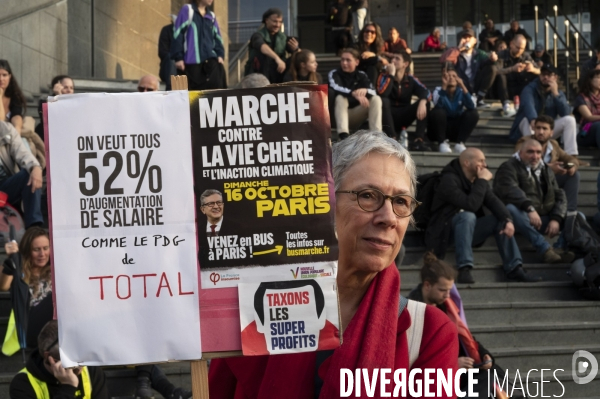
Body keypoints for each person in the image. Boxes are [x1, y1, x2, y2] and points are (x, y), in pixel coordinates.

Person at [209, 130, 458, 398]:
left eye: (400, 201)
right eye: (368, 195)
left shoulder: (430, 332)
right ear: (325, 203)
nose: (389, 218)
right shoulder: (250, 315)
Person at [424, 147, 539, 283]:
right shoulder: (448, 180)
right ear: (466, 163)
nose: (485, 165)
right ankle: (464, 268)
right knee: (467, 216)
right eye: (481, 161)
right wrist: (482, 181)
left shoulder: (476, 180)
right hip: (444, 233)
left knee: (500, 220)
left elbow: (494, 202)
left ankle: (514, 268)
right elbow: (470, 205)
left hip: (468, 232)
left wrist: (507, 220)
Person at [408, 253, 505, 398]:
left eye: (449, 290)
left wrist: (486, 356)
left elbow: (466, 338)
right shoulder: (412, 313)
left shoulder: (446, 307)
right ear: (427, 285)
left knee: (493, 372)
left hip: (457, 371)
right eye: (442, 290)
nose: (447, 295)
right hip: (434, 378)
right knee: (487, 382)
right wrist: (453, 364)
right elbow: (415, 360)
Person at [494, 139, 572, 264]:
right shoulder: (508, 167)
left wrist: (556, 218)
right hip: (518, 220)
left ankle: (558, 249)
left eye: (538, 152)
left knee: (577, 216)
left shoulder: (545, 169)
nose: (535, 156)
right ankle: (545, 249)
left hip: (542, 219)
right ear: (520, 153)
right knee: (511, 208)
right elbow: (510, 190)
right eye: (530, 152)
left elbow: (559, 195)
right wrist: (529, 208)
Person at [9, 320, 108, 398]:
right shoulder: (22, 384)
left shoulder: (92, 371)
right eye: (71, 361)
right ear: (49, 358)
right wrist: (68, 387)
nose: (80, 366)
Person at [508, 64, 578, 158]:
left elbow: (565, 113)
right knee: (526, 120)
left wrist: (556, 95)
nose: (545, 77)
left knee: (570, 120)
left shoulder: (559, 93)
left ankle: (571, 156)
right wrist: (533, 120)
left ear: (555, 77)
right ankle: (534, 150)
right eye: (543, 74)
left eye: (549, 75)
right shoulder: (529, 89)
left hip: (545, 130)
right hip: (527, 130)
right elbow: (528, 106)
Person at [0, 227, 53, 348]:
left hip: (54, 330)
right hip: (29, 327)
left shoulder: (55, 270)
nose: (42, 254)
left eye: (46, 248)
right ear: (27, 250)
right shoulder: (18, 270)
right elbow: (3, 286)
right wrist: (12, 260)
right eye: (36, 249)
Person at [517, 115, 580, 214]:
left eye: (544, 129)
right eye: (538, 128)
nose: (541, 132)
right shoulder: (524, 142)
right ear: (534, 129)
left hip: (549, 184)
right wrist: (548, 168)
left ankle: (570, 212)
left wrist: (572, 165)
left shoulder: (553, 144)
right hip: (530, 183)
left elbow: (571, 159)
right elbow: (519, 164)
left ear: (551, 132)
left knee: (573, 175)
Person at [377, 51, 431, 150]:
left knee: (424, 103)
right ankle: (392, 138)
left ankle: (418, 140)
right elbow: (382, 93)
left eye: (397, 59)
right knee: (384, 100)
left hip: (404, 115)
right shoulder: (384, 76)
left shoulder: (410, 79)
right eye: (392, 58)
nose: (393, 61)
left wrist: (423, 101)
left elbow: (426, 91)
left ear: (405, 64)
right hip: (388, 116)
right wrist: (391, 75)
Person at [171, 0, 226, 90]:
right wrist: (178, 57)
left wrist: (220, 55)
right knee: (193, 98)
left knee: (216, 95)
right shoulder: (187, 10)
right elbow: (178, 33)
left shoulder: (211, 16)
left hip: (211, 63)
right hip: (191, 64)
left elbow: (218, 38)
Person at [328, 48, 382, 140]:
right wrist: (353, 93)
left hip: (355, 115)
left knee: (376, 99)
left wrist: (366, 91)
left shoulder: (362, 75)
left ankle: (377, 136)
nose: (344, 63)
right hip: (336, 116)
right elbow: (334, 87)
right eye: (342, 60)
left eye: (348, 60)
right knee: (340, 98)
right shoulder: (334, 73)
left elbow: (373, 91)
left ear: (357, 62)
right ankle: (343, 135)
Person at [440, 28, 498, 108]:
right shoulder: (454, 51)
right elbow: (444, 60)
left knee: (492, 68)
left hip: (475, 85)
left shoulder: (479, 53)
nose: (466, 39)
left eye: (469, 37)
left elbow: (490, 64)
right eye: (464, 37)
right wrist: (460, 48)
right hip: (460, 84)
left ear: (475, 40)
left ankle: (479, 99)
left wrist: (493, 59)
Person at [0, 122, 43, 229]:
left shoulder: (5, 129)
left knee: (29, 174)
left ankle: (34, 228)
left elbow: (23, 153)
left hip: (5, 186)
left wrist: (35, 167)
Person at [428, 67, 479, 154]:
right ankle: (442, 143)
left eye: (454, 76)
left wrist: (462, 85)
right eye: (448, 76)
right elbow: (438, 105)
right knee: (438, 112)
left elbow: (471, 106)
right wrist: (444, 87)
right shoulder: (438, 90)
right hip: (441, 128)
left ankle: (460, 143)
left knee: (473, 113)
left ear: (458, 79)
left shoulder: (461, 91)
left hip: (456, 128)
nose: (451, 78)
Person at [245, 8, 300, 84]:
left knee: (295, 59)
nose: (277, 25)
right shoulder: (257, 35)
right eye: (275, 21)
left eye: (280, 22)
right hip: (259, 75)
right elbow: (262, 47)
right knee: (264, 57)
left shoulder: (283, 37)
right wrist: (277, 58)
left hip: (278, 74)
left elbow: (300, 55)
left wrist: (296, 49)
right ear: (267, 21)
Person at [494, 34, 540, 117]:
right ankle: (506, 104)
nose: (520, 50)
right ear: (511, 44)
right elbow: (495, 72)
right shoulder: (501, 54)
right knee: (501, 76)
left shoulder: (525, 56)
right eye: (517, 47)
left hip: (521, 86)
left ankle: (533, 101)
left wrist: (533, 69)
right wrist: (512, 69)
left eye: (522, 48)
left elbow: (540, 71)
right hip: (505, 88)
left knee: (536, 76)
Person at [35, 75, 75, 141]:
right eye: (65, 87)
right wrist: (58, 96)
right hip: (47, 138)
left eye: (71, 88)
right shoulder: (44, 100)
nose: (69, 90)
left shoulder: (75, 104)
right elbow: (49, 120)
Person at [573, 69, 600, 149]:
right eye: (598, 77)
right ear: (590, 80)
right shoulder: (581, 98)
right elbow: (589, 117)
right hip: (585, 133)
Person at [0, 60, 27, 134]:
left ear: (10, 77)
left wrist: (17, 128)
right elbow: (1, 122)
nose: (1, 79)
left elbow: (16, 114)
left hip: (10, 133)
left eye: (4, 75)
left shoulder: (14, 95)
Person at [158, 15, 176, 91]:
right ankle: (171, 90)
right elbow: (162, 52)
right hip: (169, 67)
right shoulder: (167, 30)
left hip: (188, 69)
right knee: (171, 59)